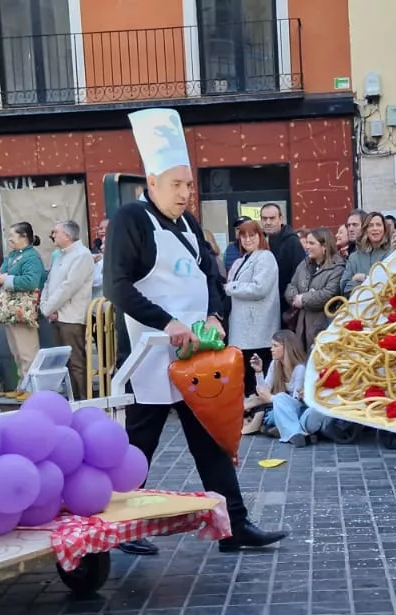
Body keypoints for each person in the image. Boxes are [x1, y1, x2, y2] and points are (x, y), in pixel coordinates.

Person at [105, 107, 288, 556]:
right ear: (152, 183)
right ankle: (121, 525)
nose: (187, 193)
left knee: (209, 439)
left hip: (196, 355)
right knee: (138, 444)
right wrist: (167, 324)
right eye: (177, 185)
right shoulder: (131, 220)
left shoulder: (188, 224)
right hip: (148, 355)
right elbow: (117, 287)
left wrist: (214, 316)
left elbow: (210, 276)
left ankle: (234, 526)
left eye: (189, 184)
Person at [224, 219, 280, 399]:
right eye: (243, 236)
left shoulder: (265, 257)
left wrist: (231, 287)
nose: (247, 240)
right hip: (243, 331)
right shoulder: (242, 260)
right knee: (246, 380)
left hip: (257, 331)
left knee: (256, 381)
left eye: (252, 235)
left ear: (260, 236)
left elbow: (259, 288)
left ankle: (259, 412)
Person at [40, 221, 94, 399]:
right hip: (56, 315)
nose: (52, 235)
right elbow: (49, 283)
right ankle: (72, 399)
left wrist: (49, 307)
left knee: (76, 362)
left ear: (68, 235)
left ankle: (83, 400)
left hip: (72, 317)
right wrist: (45, 306)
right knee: (64, 363)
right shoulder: (60, 256)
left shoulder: (82, 255)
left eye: (56, 232)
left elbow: (69, 287)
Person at [0, 222, 45, 383]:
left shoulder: (31, 257)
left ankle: (32, 386)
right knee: (17, 352)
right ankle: (23, 383)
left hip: (24, 311)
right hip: (11, 311)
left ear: (24, 237)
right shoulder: (13, 255)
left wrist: (7, 279)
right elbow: (1, 273)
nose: (9, 239)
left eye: (12, 235)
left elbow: (31, 281)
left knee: (28, 352)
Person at [254, 330, 323, 446]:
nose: (271, 349)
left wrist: (272, 398)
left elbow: (296, 400)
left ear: (286, 348)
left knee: (277, 410)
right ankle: (299, 434)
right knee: (270, 417)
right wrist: (258, 372)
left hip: (299, 407)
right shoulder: (274, 364)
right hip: (286, 406)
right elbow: (263, 390)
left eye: (275, 346)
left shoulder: (299, 368)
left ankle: (289, 432)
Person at [282, 227, 344, 350]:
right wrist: (295, 298)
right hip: (301, 326)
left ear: (324, 246)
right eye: (307, 243)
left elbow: (328, 294)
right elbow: (291, 286)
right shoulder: (304, 264)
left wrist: (303, 299)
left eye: (311, 243)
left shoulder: (337, 267)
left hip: (322, 326)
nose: (307, 247)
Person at [342, 211, 392, 296]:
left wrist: (364, 279)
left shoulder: (391, 252)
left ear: (384, 229)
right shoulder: (354, 257)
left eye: (378, 225)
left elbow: (390, 283)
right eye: (371, 225)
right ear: (365, 230)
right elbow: (344, 288)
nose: (375, 228)